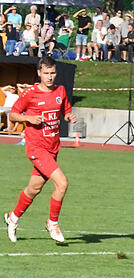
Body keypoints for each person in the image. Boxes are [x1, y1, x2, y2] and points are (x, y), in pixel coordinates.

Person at [4, 56, 77, 244]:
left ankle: (12, 218)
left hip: (53, 147)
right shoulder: (30, 93)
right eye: (46, 73)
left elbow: (66, 111)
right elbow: (12, 115)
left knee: (34, 188)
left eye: (52, 73)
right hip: (36, 147)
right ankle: (52, 223)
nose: (50, 77)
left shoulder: (60, 91)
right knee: (62, 183)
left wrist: (69, 117)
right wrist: (28, 119)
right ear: (39, 73)